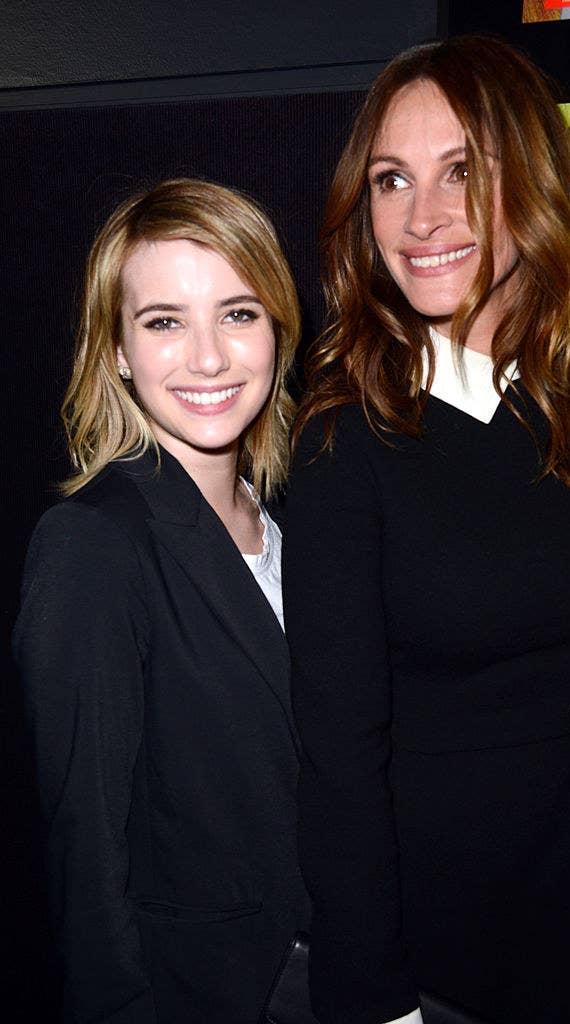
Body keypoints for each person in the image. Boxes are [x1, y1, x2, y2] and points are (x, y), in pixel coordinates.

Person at [281, 36, 570, 1024]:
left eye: (464, 171)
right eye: (391, 179)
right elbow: (337, 761)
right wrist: (377, 1002)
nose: (423, 217)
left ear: (536, 181)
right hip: (442, 964)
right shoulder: (347, 442)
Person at [13, 178, 309, 1023]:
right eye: (164, 321)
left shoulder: (294, 516)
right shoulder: (92, 544)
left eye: (239, 313)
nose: (208, 358)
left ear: (278, 327)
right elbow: (85, 846)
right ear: (115, 350)